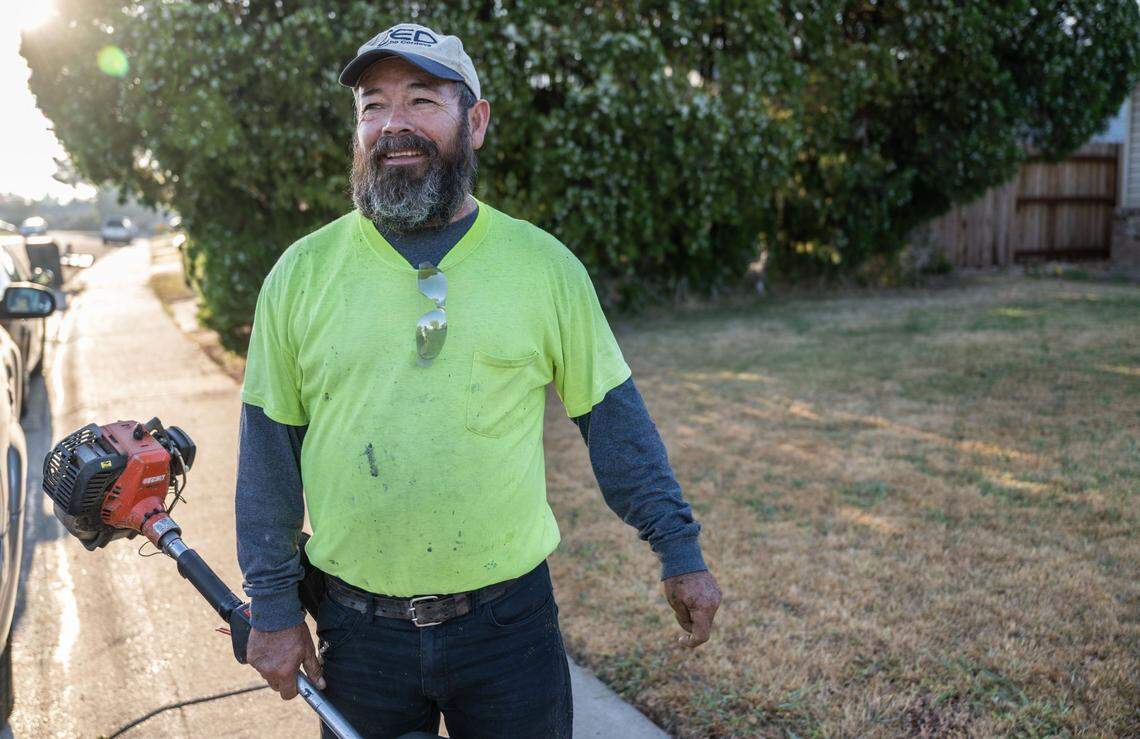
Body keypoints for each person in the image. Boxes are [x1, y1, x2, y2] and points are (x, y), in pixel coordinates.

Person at [236, 22, 722, 738]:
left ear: (477, 121)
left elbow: (614, 423)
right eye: (373, 105)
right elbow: (267, 456)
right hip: (358, 634)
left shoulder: (543, 267)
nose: (393, 124)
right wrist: (275, 608)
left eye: (422, 99)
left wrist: (678, 550)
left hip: (509, 630)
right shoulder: (300, 275)